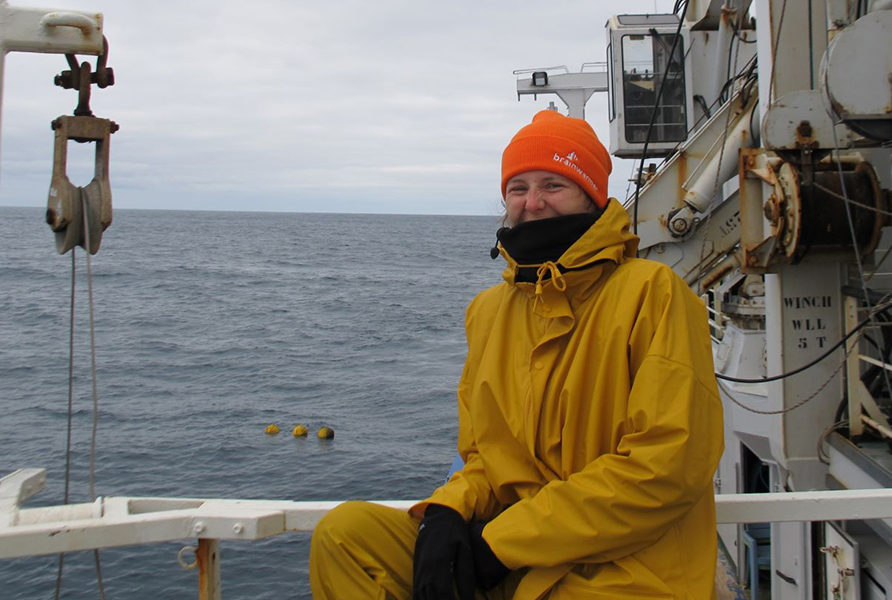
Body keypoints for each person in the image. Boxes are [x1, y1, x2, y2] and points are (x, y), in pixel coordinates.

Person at [309, 109, 724, 600]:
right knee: (347, 536)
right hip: (517, 561)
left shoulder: (653, 293)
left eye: (554, 184)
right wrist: (448, 509)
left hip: (621, 573)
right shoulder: (488, 312)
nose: (533, 203)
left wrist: (499, 545)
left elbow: (667, 468)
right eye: (518, 188)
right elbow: (487, 455)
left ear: (591, 196)